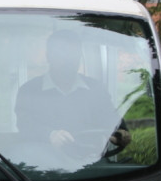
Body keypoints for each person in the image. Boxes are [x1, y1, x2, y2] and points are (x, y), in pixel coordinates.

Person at [15, 29, 130, 159]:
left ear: (79, 57)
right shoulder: (30, 90)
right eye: (61, 54)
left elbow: (110, 119)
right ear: (48, 56)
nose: (68, 60)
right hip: (42, 166)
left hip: (89, 164)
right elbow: (25, 124)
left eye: (73, 54)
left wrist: (120, 133)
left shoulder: (95, 89)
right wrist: (49, 135)